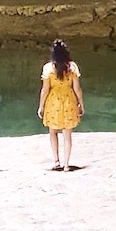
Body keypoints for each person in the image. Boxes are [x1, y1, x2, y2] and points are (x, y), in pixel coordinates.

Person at [37, 38, 84, 171]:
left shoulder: (48, 68)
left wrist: (41, 106)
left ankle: (56, 161)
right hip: (69, 101)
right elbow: (77, 89)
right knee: (67, 134)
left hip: (53, 102)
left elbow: (45, 90)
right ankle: (67, 164)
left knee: (53, 132)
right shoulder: (72, 68)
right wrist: (81, 104)